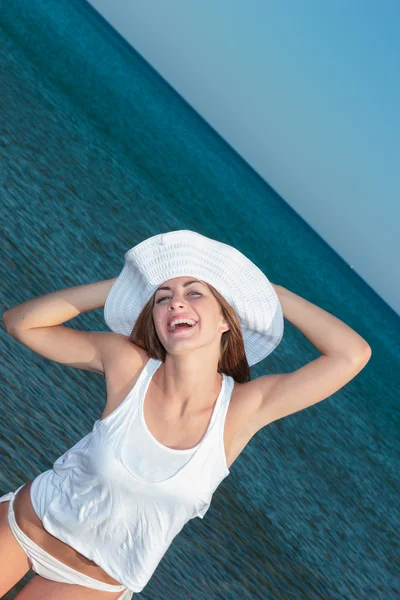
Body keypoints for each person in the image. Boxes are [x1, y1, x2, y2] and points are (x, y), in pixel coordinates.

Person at [0, 230, 371, 599]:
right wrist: (122, 286)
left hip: (93, 582)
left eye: (194, 292)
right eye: (162, 298)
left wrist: (274, 294)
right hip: (23, 526)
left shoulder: (243, 410)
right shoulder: (128, 364)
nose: (176, 303)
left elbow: (351, 355)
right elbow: (21, 322)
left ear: (227, 320)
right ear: (156, 319)